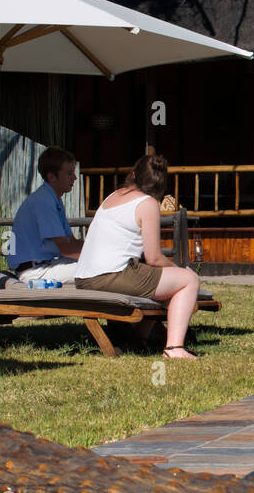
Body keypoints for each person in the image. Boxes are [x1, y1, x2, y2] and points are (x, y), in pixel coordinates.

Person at [74, 153, 202, 359]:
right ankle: (174, 349)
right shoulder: (148, 203)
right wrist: (177, 269)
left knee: (162, 282)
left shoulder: (112, 196)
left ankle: (140, 335)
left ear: (133, 175)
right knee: (188, 280)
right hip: (112, 275)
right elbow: (154, 258)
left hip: (84, 278)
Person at [8, 146, 84, 285]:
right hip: (34, 271)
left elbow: (71, 243)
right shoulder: (43, 201)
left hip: (44, 264)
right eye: (69, 173)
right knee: (98, 270)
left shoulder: (53, 199)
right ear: (52, 177)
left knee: (100, 265)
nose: (75, 178)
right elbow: (66, 249)